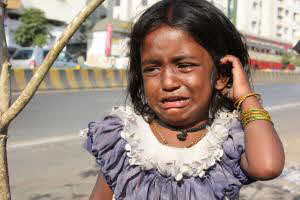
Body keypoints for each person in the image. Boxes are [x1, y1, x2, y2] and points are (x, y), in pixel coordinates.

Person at [84, 0, 285, 199]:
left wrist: (246, 97)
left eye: (185, 66)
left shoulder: (226, 141)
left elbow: (267, 166)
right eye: (152, 68)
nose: (168, 82)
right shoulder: (128, 139)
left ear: (221, 75)